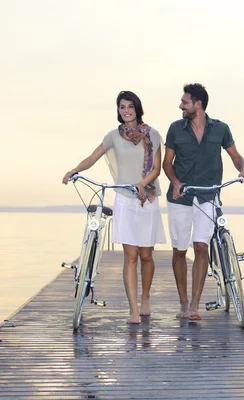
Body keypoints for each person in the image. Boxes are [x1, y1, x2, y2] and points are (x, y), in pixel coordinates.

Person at [62, 90, 166, 324]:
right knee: (130, 256)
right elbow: (92, 158)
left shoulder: (154, 135)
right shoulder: (113, 136)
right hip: (124, 198)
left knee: (146, 255)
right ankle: (133, 309)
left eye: (130, 106)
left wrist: (142, 183)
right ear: (118, 111)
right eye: (122, 107)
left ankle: (146, 297)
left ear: (137, 108)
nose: (126, 110)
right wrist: (73, 170)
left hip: (147, 197)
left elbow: (157, 169)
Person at [163, 83, 244, 320]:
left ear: (198, 104)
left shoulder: (220, 129)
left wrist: (243, 170)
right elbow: (167, 163)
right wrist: (175, 182)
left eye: (185, 102)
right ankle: (183, 303)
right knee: (179, 250)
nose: (180, 106)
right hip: (180, 196)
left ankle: (194, 306)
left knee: (201, 246)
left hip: (208, 194)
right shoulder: (175, 129)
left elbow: (235, 156)